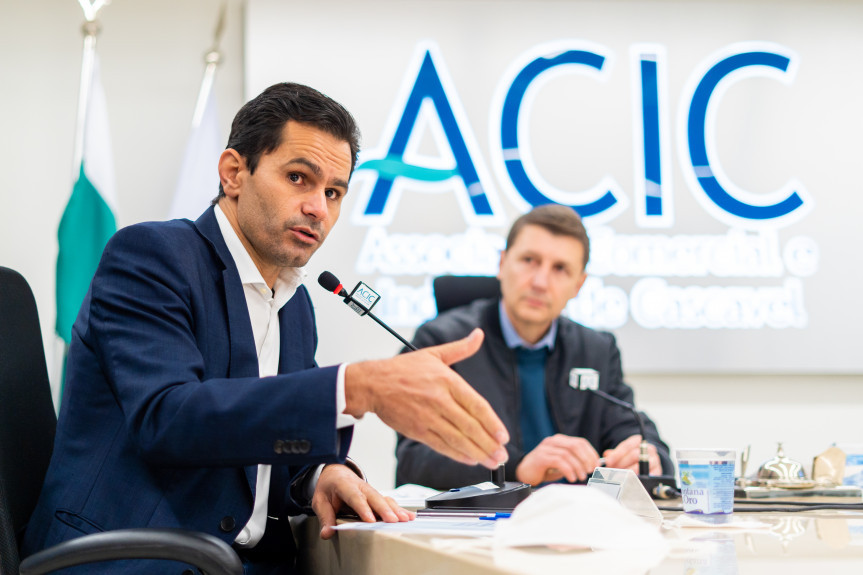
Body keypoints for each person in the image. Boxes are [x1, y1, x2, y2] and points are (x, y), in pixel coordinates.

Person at [22, 82, 509, 574]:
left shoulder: (294, 304)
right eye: (299, 178)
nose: (319, 207)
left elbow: (266, 447)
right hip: (131, 560)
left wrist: (321, 474)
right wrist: (355, 386)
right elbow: (168, 419)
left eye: (333, 192)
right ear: (234, 173)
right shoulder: (152, 257)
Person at [396, 204, 673, 490]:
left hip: (576, 522)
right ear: (502, 264)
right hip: (482, 526)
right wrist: (518, 468)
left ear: (578, 285)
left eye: (560, 269)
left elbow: (634, 429)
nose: (540, 282)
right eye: (529, 260)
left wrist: (649, 458)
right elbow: (415, 459)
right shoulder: (442, 341)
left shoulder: (596, 349)